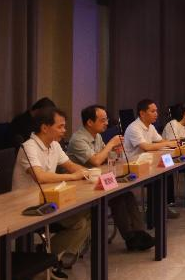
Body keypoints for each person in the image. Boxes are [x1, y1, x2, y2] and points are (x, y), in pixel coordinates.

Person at [12, 106, 91, 280]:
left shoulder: (54, 145)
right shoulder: (29, 147)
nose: (64, 130)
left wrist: (89, 173)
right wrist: (72, 177)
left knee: (88, 216)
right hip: (28, 207)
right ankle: (43, 260)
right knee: (81, 221)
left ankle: (48, 259)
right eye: (60, 126)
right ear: (45, 127)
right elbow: (40, 176)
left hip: (49, 201)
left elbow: (70, 166)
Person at [66, 105, 155, 251]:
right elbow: (96, 161)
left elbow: (105, 158)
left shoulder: (97, 136)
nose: (107, 123)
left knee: (127, 194)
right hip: (80, 186)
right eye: (103, 120)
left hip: (95, 180)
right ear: (90, 122)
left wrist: (115, 152)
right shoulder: (78, 139)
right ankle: (130, 238)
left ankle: (139, 233)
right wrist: (111, 144)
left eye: (106, 119)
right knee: (117, 197)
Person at [123, 99, 180, 218]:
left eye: (156, 111)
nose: (156, 114)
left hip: (146, 162)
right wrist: (168, 144)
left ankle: (161, 207)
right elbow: (146, 147)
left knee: (167, 170)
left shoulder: (150, 126)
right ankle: (155, 212)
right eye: (153, 111)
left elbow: (160, 141)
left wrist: (173, 142)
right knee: (160, 174)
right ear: (142, 113)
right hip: (132, 166)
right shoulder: (134, 127)